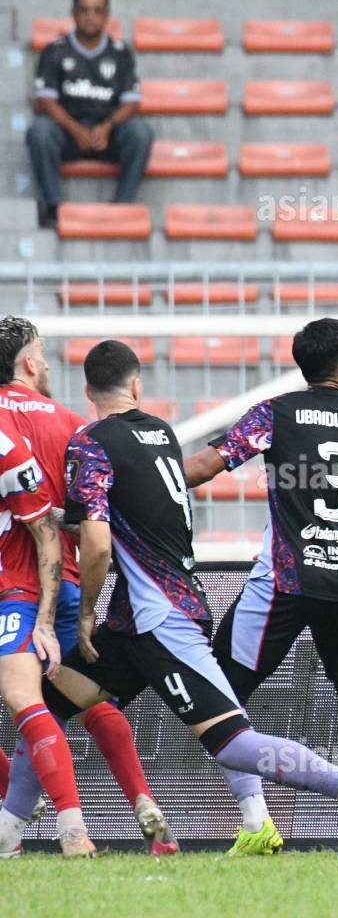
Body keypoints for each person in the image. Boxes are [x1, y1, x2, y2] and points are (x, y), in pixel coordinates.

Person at [35, 341, 338, 854]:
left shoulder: (97, 440)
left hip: (217, 601)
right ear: (137, 385)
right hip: (337, 580)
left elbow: (200, 471)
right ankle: (11, 832)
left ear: (87, 390)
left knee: (231, 732)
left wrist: (86, 604)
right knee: (48, 705)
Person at [177, 319, 338, 856]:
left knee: (220, 699)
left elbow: (203, 467)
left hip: (283, 584)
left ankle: (256, 820)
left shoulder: (276, 412)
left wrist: (140, 473)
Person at [0, 316, 177, 857]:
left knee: (27, 700)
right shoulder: (76, 427)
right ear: (31, 362)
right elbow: (92, 519)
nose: (48, 361)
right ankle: (145, 804)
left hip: (15, 584)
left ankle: (57, 825)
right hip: (71, 581)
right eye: (43, 351)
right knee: (89, 700)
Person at [0, 409, 91, 857]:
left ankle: (71, 827)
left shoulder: (7, 447)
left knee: (24, 696)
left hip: (12, 591)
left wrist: (44, 620)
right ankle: (9, 820)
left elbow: (47, 532)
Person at [26, 0, 152, 228]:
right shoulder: (55, 51)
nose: (90, 16)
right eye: (84, 10)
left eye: (97, 10)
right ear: (73, 14)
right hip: (68, 136)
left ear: (107, 15)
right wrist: (75, 130)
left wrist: (107, 127)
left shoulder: (120, 53)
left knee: (141, 132)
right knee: (40, 131)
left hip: (107, 137)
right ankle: (53, 208)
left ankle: (122, 208)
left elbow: (131, 103)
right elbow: (46, 102)